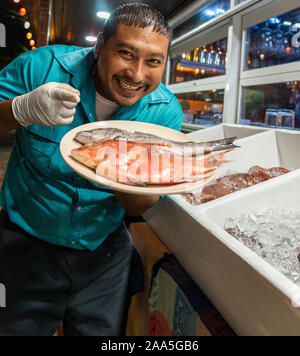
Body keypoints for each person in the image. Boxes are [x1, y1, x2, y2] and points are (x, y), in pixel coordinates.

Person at [0, 3, 182, 336]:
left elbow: (140, 205)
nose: (137, 74)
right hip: (23, 244)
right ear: (99, 46)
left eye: (153, 61)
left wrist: (118, 164)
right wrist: (21, 109)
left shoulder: (164, 114)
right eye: (126, 53)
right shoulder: (41, 67)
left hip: (104, 255)